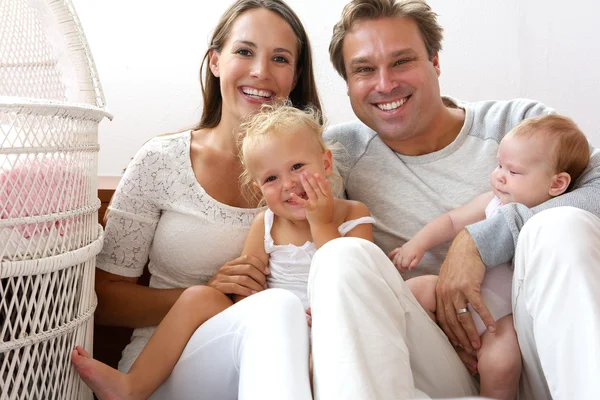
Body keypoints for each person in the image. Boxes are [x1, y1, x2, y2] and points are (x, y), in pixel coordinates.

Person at [307, 0, 600, 399]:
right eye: (363, 69)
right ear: (347, 83)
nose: (385, 84)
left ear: (435, 62)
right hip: (431, 355)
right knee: (340, 259)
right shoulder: (338, 153)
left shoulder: (518, 125)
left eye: (401, 61)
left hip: (528, 341)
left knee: (560, 223)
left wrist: (480, 241)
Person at [89, 1, 323, 399]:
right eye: (244, 51)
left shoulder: (319, 169)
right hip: (166, 366)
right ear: (215, 61)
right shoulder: (161, 162)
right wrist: (208, 295)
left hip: (285, 367)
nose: (261, 72)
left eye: (280, 58)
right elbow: (104, 298)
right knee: (275, 307)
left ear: (295, 75)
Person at [73, 103, 375, 400]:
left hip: (329, 329)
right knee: (200, 296)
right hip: (268, 334)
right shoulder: (266, 224)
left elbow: (352, 280)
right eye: (271, 178)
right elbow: (248, 292)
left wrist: (321, 222)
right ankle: (131, 387)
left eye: (297, 167)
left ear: (325, 163)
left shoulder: (352, 215)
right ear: (258, 189)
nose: (288, 184)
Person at [388, 115, 590, 400]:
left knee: (503, 364)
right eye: (498, 165)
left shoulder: (549, 224)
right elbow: (450, 221)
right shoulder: (493, 203)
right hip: (453, 293)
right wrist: (418, 243)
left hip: (502, 318)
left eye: (514, 171)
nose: (499, 176)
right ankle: (451, 347)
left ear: (557, 185)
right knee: (411, 292)